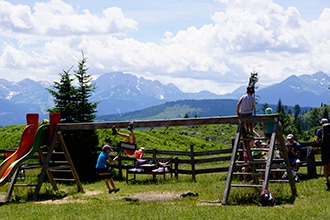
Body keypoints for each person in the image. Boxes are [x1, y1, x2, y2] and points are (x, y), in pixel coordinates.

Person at [315, 118, 330, 190]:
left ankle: (327, 179)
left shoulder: (319, 130)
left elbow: (317, 141)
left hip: (324, 149)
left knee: (325, 165)